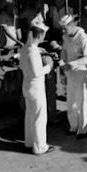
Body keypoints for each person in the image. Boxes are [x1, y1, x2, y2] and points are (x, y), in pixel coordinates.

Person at [19, 20, 55, 155]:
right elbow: (37, 72)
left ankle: (29, 142)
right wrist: (49, 67)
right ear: (40, 35)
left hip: (27, 86)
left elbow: (22, 66)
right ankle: (40, 147)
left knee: (29, 116)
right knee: (40, 117)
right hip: (36, 87)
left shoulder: (25, 47)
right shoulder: (33, 51)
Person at [59, 14, 87, 137]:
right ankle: (74, 126)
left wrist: (73, 64)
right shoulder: (65, 37)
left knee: (82, 101)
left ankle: (84, 129)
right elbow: (64, 51)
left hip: (81, 72)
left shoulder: (83, 37)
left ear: (72, 25)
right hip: (70, 73)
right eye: (62, 28)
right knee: (71, 101)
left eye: (65, 28)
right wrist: (63, 63)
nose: (63, 31)